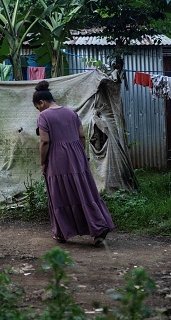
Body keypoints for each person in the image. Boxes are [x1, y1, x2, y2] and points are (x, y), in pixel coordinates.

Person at [33, 80, 114, 246]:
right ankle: (98, 227)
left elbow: (45, 142)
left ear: (41, 103)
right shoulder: (71, 113)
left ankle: (62, 232)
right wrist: (80, 154)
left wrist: (43, 163)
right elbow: (82, 136)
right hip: (77, 156)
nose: (38, 110)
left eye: (37, 107)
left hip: (57, 159)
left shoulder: (44, 116)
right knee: (85, 191)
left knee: (59, 194)